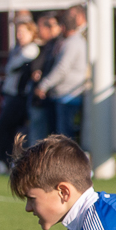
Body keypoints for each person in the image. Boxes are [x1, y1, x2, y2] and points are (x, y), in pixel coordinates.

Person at [37, 5, 88, 141]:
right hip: (68, 93)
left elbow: (62, 68)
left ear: (63, 27)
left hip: (68, 95)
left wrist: (43, 85)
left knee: (64, 137)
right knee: (64, 135)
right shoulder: (75, 41)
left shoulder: (72, 43)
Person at [0, 18, 39, 172]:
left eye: (23, 32)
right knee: (9, 130)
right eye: (18, 32)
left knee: (5, 128)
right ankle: (8, 161)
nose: (19, 35)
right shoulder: (18, 49)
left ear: (31, 33)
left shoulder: (31, 50)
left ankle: (7, 161)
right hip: (11, 95)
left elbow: (14, 68)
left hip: (20, 97)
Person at [26, 12, 65, 143]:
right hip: (41, 96)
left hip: (51, 94)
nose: (48, 29)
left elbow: (60, 69)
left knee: (51, 135)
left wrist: (43, 86)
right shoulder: (46, 46)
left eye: (51, 25)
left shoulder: (60, 44)